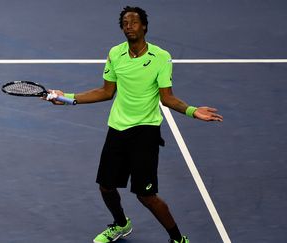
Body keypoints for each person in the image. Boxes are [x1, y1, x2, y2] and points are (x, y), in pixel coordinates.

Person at [45, 6, 223, 243]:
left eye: (134, 22)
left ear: (144, 26)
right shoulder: (115, 54)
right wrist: (67, 98)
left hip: (145, 132)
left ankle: (178, 239)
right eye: (125, 23)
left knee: (146, 195)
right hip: (117, 128)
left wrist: (192, 111)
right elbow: (106, 92)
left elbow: (166, 97)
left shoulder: (161, 57)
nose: (129, 26)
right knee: (106, 187)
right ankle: (121, 224)